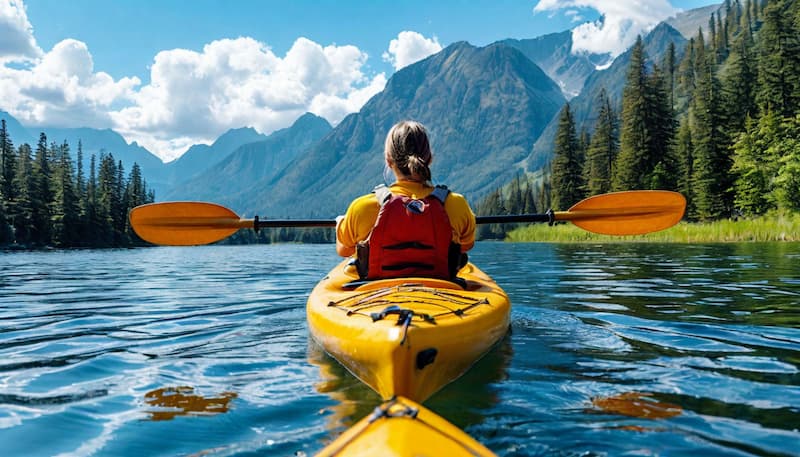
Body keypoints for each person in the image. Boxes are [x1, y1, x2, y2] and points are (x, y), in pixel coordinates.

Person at [336, 120, 476, 280]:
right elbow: (466, 246)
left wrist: (340, 224)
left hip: (377, 295)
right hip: (440, 291)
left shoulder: (362, 207)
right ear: (429, 159)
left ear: (389, 161)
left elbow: (344, 251)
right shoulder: (456, 204)